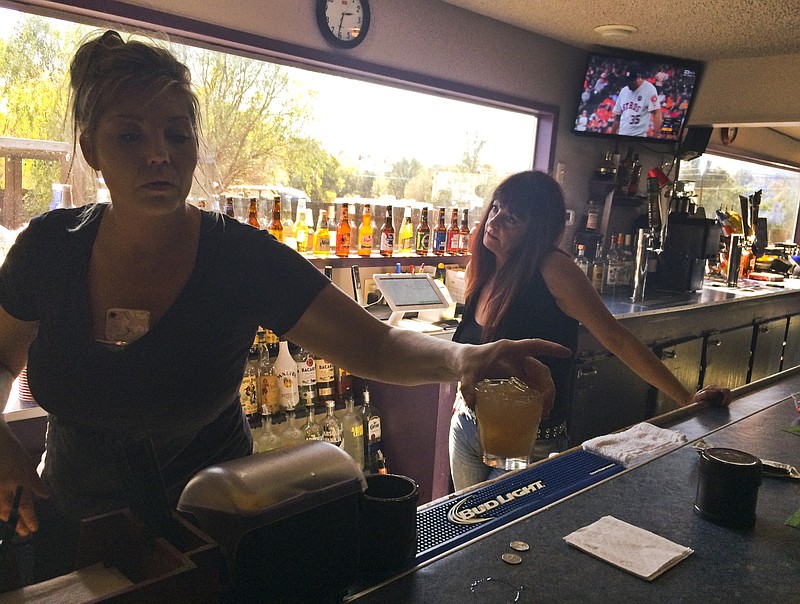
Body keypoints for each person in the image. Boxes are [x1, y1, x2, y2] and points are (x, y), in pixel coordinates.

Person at [0, 31, 569, 580]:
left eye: (177, 135)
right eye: (130, 137)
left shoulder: (237, 257)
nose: (159, 156)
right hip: (72, 526)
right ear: (89, 147)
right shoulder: (51, 249)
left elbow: (374, 343)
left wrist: (464, 361)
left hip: (217, 525)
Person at [448, 171, 731, 491]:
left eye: (512, 218)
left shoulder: (553, 269)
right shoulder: (484, 268)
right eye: (496, 208)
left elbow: (617, 337)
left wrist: (687, 400)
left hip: (528, 442)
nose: (494, 221)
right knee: (466, 527)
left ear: (537, 230)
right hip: (469, 428)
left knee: (499, 532)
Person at [611, 65, 663, 138]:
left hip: (639, 137)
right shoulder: (624, 91)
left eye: (630, 81)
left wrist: (655, 138)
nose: (628, 84)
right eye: (627, 81)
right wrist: (611, 137)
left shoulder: (649, 89)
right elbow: (617, 117)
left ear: (638, 77)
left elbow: (657, 114)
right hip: (621, 136)